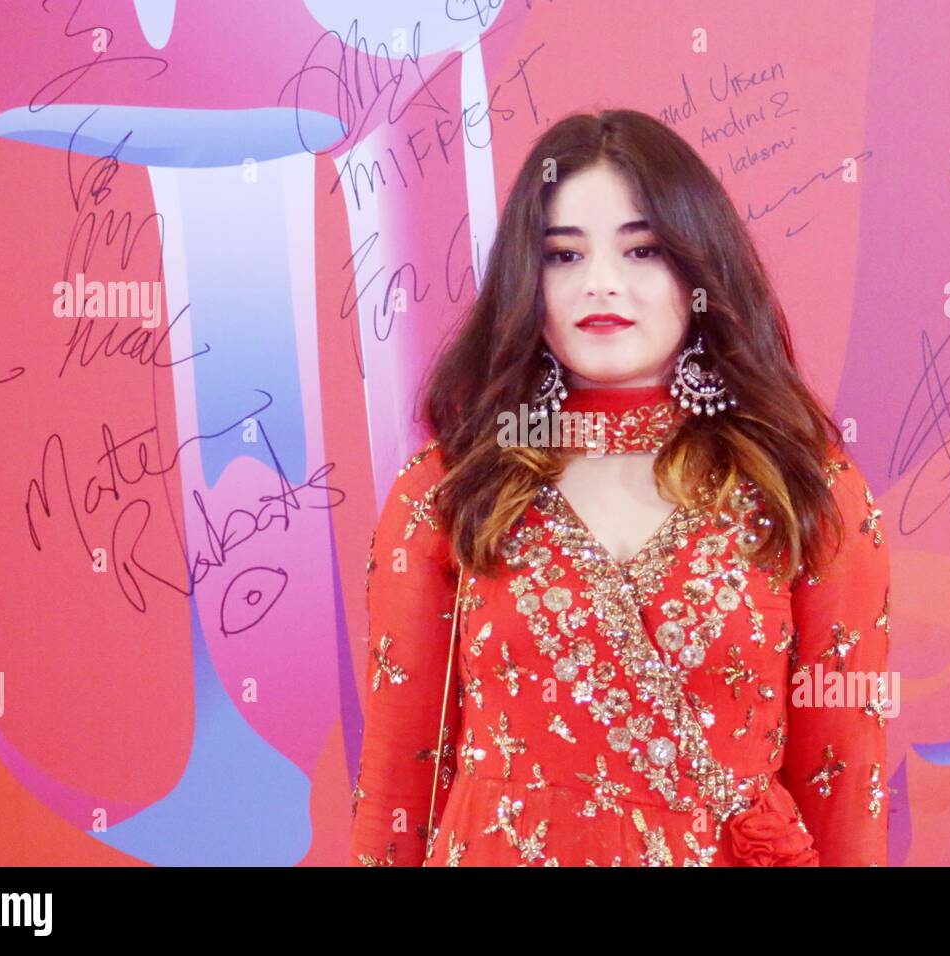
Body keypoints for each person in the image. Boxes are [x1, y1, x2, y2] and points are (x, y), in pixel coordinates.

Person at [349, 109, 892, 867]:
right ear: (524, 280)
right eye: (563, 257)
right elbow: (396, 791)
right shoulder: (452, 490)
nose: (600, 282)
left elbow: (844, 790)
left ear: (699, 268)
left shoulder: (801, 486)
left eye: (642, 250)